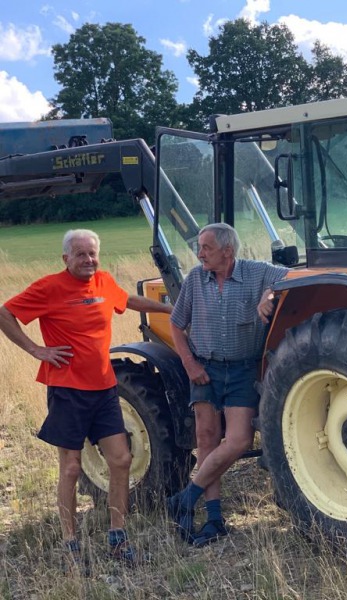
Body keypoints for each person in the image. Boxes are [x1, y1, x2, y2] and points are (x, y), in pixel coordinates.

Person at [0, 229, 173, 569]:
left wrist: (167, 308)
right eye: (80, 254)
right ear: (66, 258)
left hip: (105, 389)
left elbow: (127, 300)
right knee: (71, 467)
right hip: (68, 391)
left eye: (92, 253)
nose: (88, 260)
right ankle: (70, 544)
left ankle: (117, 537)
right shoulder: (49, 287)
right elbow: (5, 313)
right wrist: (36, 349)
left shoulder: (103, 281)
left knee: (121, 460)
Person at [167, 223, 288, 546]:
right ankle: (214, 520)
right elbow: (176, 325)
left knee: (238, 440)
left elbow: (292, 276)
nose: (199, 254)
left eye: (206, 248)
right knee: (206, 438)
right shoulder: (196, 278)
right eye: (200, 248)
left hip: (242, 370)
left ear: (227, 251)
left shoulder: (256, 272)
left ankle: (186, 498)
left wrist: (270, 294)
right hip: (204, 368)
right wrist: (190, 364)